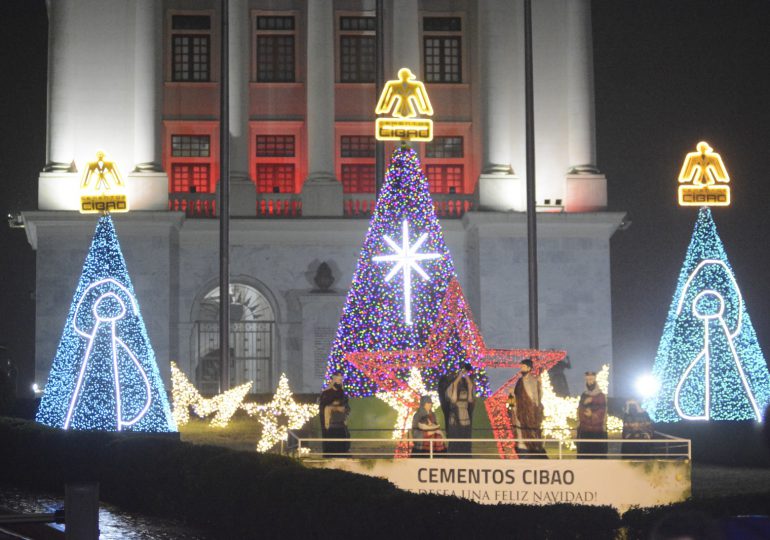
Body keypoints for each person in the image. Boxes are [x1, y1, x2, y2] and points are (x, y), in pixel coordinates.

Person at [508, 358, 547, 457]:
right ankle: (523, 450)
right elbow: (513, 399)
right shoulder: (519, 382)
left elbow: (538, 397)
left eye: (524, 367)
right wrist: (511, 397)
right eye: (521, 367)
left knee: (532, 434)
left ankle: (535, 451)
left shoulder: (534, 381)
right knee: (521, 435)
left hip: (532, 414)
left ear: (529, 368)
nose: (521, 368)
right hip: (521, 414)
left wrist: (540, 385)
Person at [445, 363, 475, 456]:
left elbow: (470, 399)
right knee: (456, 437)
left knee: (464, 438)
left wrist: (466, 377)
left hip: (464, 415)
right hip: (455, 417)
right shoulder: (452, 386)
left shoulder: (467, 386)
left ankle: (465, 454)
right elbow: (453, 400)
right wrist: (458, 377)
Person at [576, 371, 607, 459]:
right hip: (585, 431)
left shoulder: (601, 396)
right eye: (588, 379)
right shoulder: (584, 395)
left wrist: (592, 415)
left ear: (595, 380)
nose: (590, 381)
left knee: (597, 456)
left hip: (597, 432)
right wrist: (585, 404)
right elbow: (580, 410)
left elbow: (602, 410)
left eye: (591, 379)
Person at [319, 372, 350, 457]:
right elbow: (324, 407)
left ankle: (342, 452)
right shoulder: (326, 393)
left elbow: (346, 406)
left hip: (340, 422)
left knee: (341, 438)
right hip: (331, 423)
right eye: (338, 378)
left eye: (341, 378)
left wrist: (343, 410)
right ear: (334, 379)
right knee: (331, 439)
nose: (340, 380)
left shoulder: (342, 392)